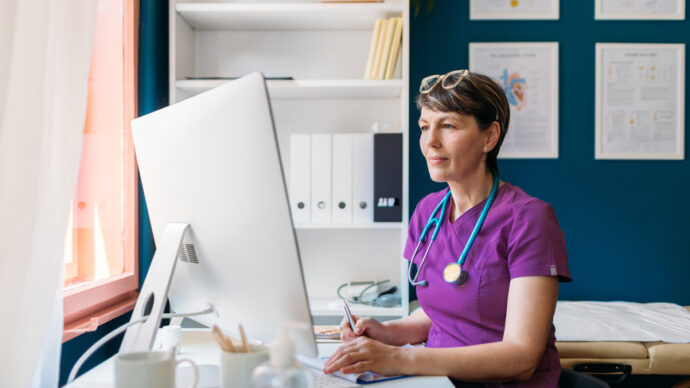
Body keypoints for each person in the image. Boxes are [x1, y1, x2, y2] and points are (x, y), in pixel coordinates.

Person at [323, 70, 571, 387]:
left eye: (448, 126)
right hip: (437, 381)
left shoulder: (529, 219)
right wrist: (388, 333)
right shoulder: (428, 212)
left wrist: (401, 358)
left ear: (490, 137)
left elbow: (521, 358)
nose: (431, 141)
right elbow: (443, 313)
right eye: (425, 127)